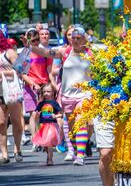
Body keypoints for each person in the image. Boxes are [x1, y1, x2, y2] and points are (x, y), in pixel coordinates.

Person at [32, 24, 98, 165]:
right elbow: (45, 52)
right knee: (73, 127)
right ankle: (75, 150)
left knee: (81, 122)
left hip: (85, 95)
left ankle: (80, 156)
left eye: (78, 38)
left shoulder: (91, 53)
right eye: (73, 38)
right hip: (67, 96)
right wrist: (30, 46)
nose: (74, 40)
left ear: (84, 39)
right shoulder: (65, 52)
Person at [0, 36, 26, 164]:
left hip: (11, 91)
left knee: (16, 121)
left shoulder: (9, 52)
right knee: (0, 122)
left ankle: (17, 149)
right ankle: (4, 154)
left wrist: (3, 74)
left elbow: (20, 70)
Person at [31, 83, 62, 166]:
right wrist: (36, 115)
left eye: (48, 91)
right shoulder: (41, 104)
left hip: (52, 125)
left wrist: (55, 116)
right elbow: (36, 112)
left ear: (52, 92)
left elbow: (61, 114)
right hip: (43, 125)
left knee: (49, 144)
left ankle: (50, 159)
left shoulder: (54, 103)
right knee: (45, 144)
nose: (46, 93)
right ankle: (47, 153)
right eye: (44, 92)